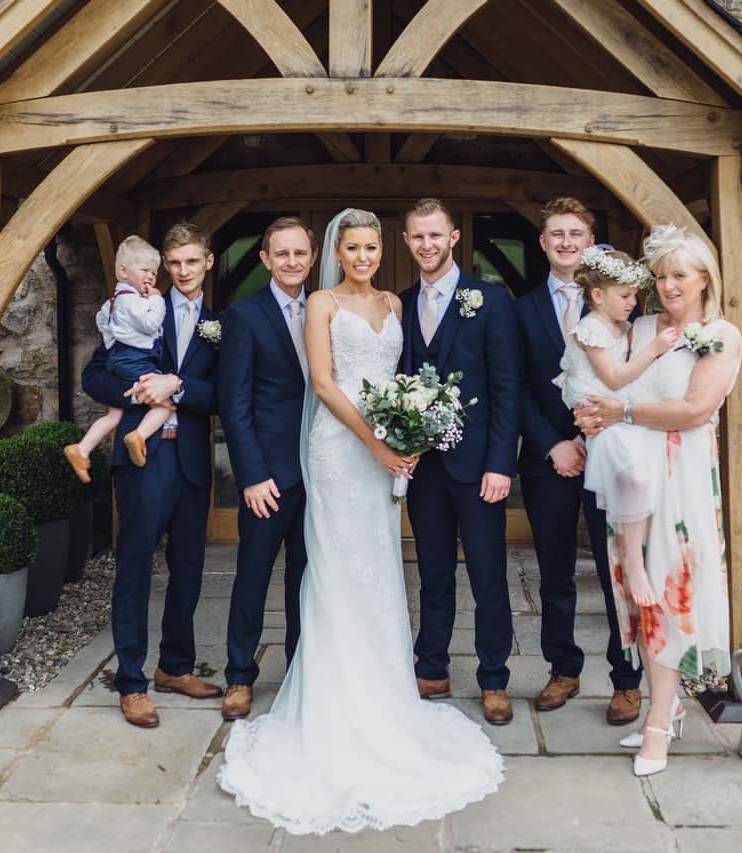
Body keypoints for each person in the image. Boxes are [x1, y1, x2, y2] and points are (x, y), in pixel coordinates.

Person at [218, 208, 502, 835]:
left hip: (385, 458)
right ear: (338, 252)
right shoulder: (320, 302)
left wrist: (411, 429)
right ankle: (331, 700)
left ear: (383, 251)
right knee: (336, 570)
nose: (364, 256)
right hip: (341, 452)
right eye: (353, 247)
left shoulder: (396, 310)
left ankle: (384, 694)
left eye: (372, 247)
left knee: (377, 570)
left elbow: (400, 381)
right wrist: (377, 442)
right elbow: (322, 382)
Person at [574, 225, 742, 777]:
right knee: (638, 597)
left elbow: (695, 411)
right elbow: (613, 387)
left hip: (684, 477)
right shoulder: (642, 327)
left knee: (673, 594)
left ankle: (658, 726)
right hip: (635, 480)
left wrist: (618, 414)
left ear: (704, 280)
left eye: (680, 275)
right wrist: (590, 415)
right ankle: (659, 711)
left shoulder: (722, 334)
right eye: (662, 276)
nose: (668, 285)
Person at [79, 223, 224, 728]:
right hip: (141, 462)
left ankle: (175, 667)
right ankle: (132, 682)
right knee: (136, 567)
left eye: (192, 262)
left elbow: (223, 393)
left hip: (190, 461)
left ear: (208, 262)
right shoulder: (136, 308)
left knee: (188, 568)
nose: (182, 271)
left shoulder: (219, 325)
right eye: (174, 262)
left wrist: (177, 386)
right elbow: (94, 375)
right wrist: (143, 392)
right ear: (164, 264)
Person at [514, 197, 643, 723]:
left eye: (575, 234)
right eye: (555, 234)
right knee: (555, 571)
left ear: (590, 242)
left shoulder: (624, 310)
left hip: (612, 452)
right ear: (543, 243)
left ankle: (627, 677)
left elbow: (640, 376)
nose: (566, 242)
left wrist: (604, 431)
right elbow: (515, 388)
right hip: (551, 460)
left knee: (620, 566)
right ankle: (562, 668)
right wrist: (554, 443)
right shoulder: (519, 310)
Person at [400, 198, 519, 726]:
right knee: (432, 571)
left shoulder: (489, 301)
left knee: (489, 574)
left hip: (478, 467)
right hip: (423, 468)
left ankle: (494, 678)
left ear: (453, 238)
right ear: (407, 242)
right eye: (417, 237)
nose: (427, 245)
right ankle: (432, 665)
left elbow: (506, 388)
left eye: (435, 236)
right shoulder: (398, 304)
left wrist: (501, 464)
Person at [216, 217, 316, 722]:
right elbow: (234, 404)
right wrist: (251, 476)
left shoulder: (324, 309)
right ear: (265, 259)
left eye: (300, 253)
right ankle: (239, 676)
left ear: (312, 256)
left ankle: (299, 670)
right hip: (268, 477)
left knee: (306, 579)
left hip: (318, 474)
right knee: (253, 575)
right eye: (282, 254)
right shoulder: (245, 315)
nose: (292, 262)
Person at [555, 247, 678, 609]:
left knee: (649, 474)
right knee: (634, 477)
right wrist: (654, 347)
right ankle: (633, 560)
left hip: (621, 408)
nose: (632, 302)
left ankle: (644, 550)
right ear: (597, 295)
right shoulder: (590, 328)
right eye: (624, 296)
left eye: (635, 295)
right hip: (600, 409)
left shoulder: (624, 325)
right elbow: (612, 377)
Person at [65, 236, 171, 481]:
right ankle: (138, 437)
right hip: (136, 360)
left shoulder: (113, 301)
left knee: (114, 415)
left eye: (154, 273)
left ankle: (81, 449)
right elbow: (151, 322)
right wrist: (156, 299)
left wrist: (115, 343)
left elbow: (102, 322)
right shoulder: (133, 300)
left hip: (119, 357)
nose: (151, 277)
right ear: (123, 271)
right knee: (163, 405)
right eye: (145, 270)